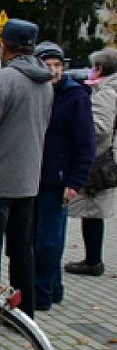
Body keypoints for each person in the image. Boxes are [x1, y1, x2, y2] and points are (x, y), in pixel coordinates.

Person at [0, 19, 54, 318]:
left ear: (4, 46)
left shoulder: (1, 81)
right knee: (21, 251)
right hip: (28, 179)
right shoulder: (44, 83)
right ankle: (24, 314)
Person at [32, 41, 96, 309]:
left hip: (58, 181)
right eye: (49, 66)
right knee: (38, 240)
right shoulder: (36, 92)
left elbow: (86, 143)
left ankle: (41, 296)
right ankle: (54, 288)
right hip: (33, 177)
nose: (54, 71)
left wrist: (75, 181)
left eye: (58, 66)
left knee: (48, 242)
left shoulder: (75, 96)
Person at [65, 47, 117, 276]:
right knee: (92, 211)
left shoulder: (106, 92)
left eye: (93, 66)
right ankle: (92, 258)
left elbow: (100, 127)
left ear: (100, 69)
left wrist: (79, 132)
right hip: (104, 158)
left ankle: (93, 261)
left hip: (99, 159)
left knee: (92, 211)